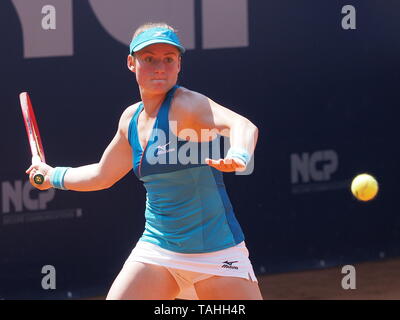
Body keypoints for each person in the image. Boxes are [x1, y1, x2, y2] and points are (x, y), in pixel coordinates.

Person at [26, 22, 261, 300]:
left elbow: (243, 126)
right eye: (149, 59)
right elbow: (102, 175)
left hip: (218, 254)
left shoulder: (188, 105)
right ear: (131, 63)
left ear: (178, 64)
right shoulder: (131, 120)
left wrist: (239, 154)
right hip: (158, 251)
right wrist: (52, 175)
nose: (159, 67)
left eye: (168, 59)